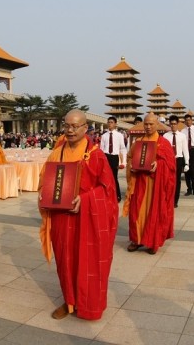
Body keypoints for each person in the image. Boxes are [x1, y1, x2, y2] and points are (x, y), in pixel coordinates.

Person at [38, 109, 119, 321]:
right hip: (61, 218)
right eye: (67, 126)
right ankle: (69, 300)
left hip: (87, 219)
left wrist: (86, 199)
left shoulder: (95, 155)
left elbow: (108, 190)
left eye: (75, 126)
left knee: (87, 261)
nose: (70, 130)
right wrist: (43, 194)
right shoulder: (57, 152)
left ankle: (88, 304)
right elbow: (45, 180)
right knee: (65, 260)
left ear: (86, 128)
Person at [123, 113, 176, 255]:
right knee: (136, 212)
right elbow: (129, 158)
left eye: (151, 124)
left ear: (157, 125)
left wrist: (158, 164)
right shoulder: (138, 142)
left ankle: (153, 241)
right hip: (139, 182)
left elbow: (171, 165)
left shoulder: (163, 143)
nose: (148, 126)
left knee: (154, 212)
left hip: (155, 185)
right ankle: (136, 239)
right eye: (146, 124)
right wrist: (131, 166)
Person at [162, 115, 189, 208]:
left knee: (177, 181)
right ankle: (167, 199)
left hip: (178, 160)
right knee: (167, 181)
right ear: (169, 124)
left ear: (177, 124)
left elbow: (185, 150)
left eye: (175, 124)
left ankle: (175, 200)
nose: (173, 126)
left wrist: (187, 163)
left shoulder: (182, 136)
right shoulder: (165, 136)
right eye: (171, 124)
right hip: (168, 160)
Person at [100, 116, 127, 202]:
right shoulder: (104, 136)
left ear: (115, 124)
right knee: (105, 177)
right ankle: (106, 195)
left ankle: (117, 196)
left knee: (114, 177)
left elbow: (122, 148)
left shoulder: (119, 135)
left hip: (115, 157)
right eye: (108, 122)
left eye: (111, 122)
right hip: (106, 156)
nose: (110, 124)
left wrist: (123, 162)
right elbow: (101, 149)